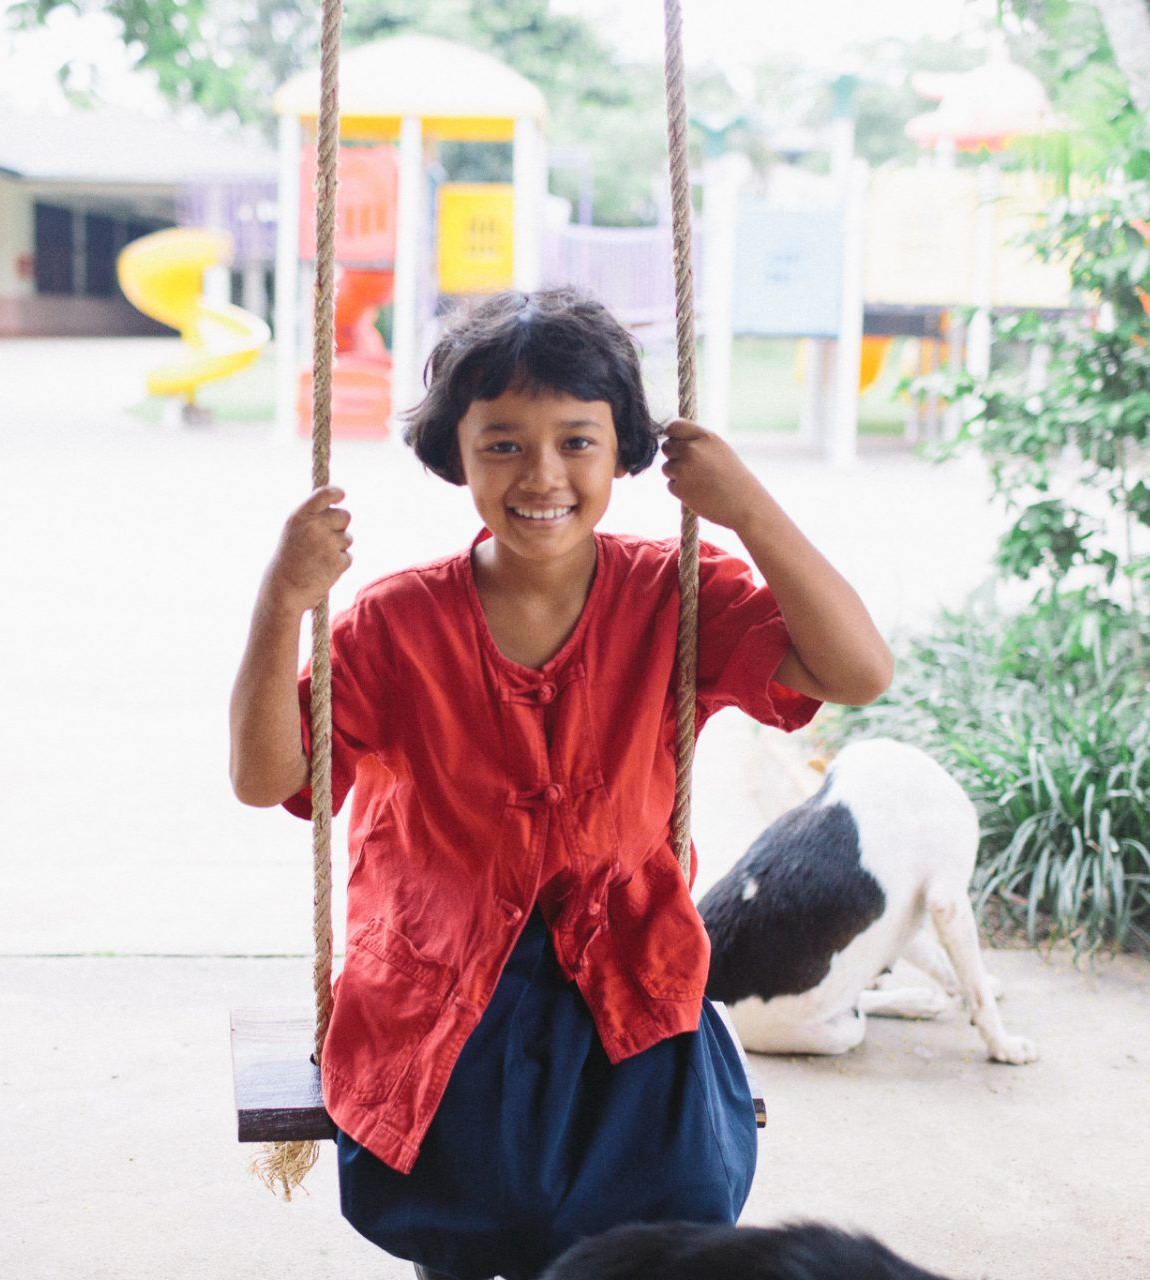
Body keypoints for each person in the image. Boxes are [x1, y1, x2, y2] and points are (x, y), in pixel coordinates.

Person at [229, 287, 894, 1280]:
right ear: (455, 450)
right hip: (447, 992)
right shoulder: (397, 623)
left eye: (577, 440)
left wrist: (747, 506)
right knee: (467, 1212)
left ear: (624, 446)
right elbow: (265, 777)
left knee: (646, 1228)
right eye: (502, 442)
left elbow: (858, 670)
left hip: (626, 980)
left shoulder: (676, 594)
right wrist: (282, 600)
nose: (542, 473)